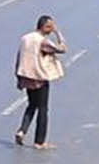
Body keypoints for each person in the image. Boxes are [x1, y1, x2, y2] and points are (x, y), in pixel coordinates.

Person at [14, 15, 66, 150]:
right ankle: (40, 141)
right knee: (43, 109)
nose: (51, 29)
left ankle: (22, 130)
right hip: (40, 78)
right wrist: (58, 33)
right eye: (50, 27)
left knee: (31, 105)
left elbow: (19, 57)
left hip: (26, 77)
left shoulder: (25, 38)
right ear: (44, 27)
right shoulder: (42, 42)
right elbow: (62, 49)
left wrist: (18, 77)